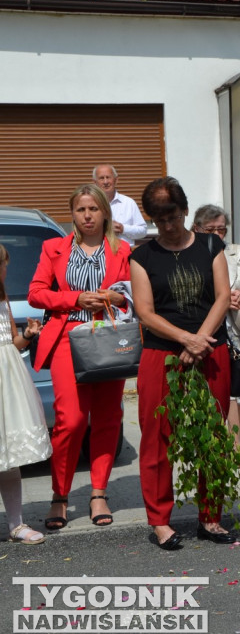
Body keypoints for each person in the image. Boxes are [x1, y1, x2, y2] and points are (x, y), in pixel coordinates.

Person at [130, 177, 236, 549]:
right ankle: (160, 520)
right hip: (162, 355)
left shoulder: (211, 244)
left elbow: (222, 296)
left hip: (211, 350)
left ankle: (211, 517)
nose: (168, 226)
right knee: (157, 438)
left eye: (172, 216)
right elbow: (144, 312)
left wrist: (199, 340)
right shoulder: (142, 256)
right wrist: (183, 340)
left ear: (185, 210)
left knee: (213, 436)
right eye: (159, 220)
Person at [29, 184, 131, 531]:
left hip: (109, 338)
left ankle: (99, 492)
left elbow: (135, 295)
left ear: (105, 212)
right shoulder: (53, 248)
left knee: (106, 418)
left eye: (93, 209)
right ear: (72, 214)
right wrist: (74, 299)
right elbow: (36, 293)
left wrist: (118, 300)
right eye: (80, 210)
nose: (87, 215)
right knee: (70, 421)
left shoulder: (124, 250)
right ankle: (60, 495)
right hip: (66, 339)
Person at [192, 205, 240, 461]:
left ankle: (234, 442)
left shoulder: (237, 252)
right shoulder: (191, 253)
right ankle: (224, 442)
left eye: (222, 229)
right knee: (217, 388)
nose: (218, 234)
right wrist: (222, 299)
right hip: (209, 328)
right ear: (197, 229)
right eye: (211, 229)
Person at [0, 244, 51, 544]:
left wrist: (28, 336)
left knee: (9, 457)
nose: (6, 271)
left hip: (8, 382)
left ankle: (16, 523)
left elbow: (11, 344)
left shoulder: (3, 297)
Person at [94, 164, 147, 247]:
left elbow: (143, 231)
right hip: (98, 254)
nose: (105, 182)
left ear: (116, 180)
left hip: (125, 253)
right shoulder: (90, 204)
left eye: (108, 177)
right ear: (95, 182)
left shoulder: (129, 203)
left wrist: (123, 228)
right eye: (101, 178)